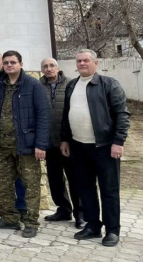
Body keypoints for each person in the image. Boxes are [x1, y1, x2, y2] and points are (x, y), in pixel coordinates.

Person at [60, 49, 130, 247]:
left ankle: (112, 230)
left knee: (109, 190)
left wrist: (118, 141)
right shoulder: (72, 85)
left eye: (86, 60)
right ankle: (92, 226)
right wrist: (65, 139)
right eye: (79, 61)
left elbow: (122, 114)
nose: (82, 63)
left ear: (96, 63)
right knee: (85, 188)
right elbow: (66, 114)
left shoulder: (109, 84)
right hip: (78, 146)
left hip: (104, 147)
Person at [0, 50, 49, 238]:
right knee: (2, 183)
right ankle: (9, 218)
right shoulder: (0, 85)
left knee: (31, 186)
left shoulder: (33, 85)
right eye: (6, 62)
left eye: (12, 62)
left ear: (21, 64)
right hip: (3, 146)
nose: (9, 65)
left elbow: (43, 115)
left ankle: (31, 222)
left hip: (26, 146)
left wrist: (41, 144)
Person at [39, 58, 84, 229]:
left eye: (52, 65)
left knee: (75, 178)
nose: (49, 69)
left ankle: (81, 214)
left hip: (69, 141)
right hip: (49, 142)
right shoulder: (38, 86)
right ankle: (63, 209)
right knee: (55, 179)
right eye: (45, 66)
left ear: (58, 68)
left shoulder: (71, 85)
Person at [0, 50, 27, 218]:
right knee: (2, 177)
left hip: (18, 137)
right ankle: (8, 214)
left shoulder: (15, 80)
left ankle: (22, 207)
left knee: (21, 175)